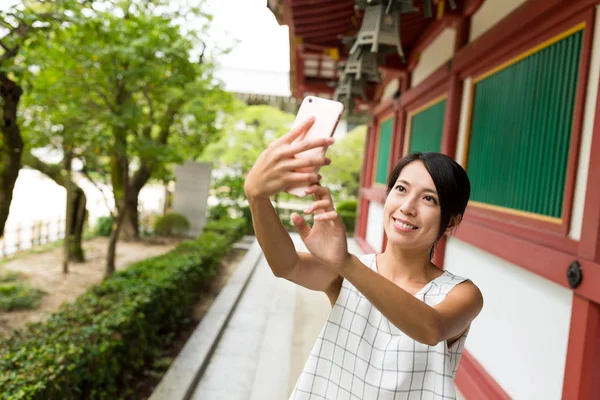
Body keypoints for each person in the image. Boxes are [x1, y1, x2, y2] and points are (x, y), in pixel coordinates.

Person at [244, 117, 483, 400]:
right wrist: (256, 196)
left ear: (452, 219)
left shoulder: (462, 293)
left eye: (429, 199)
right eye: (401, 189)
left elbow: (432, 329)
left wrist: (345, 262)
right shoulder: (350, 273)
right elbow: (287, 265)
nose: (407, 207)